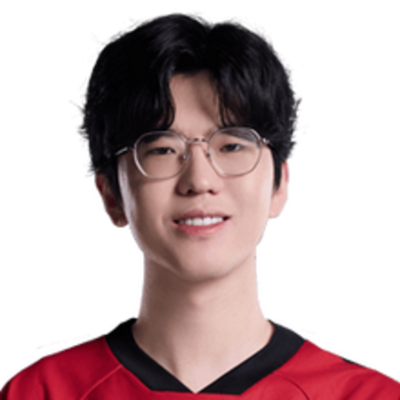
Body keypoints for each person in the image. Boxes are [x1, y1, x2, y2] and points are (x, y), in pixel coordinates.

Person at [1, 9, 398, 399]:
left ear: (282, 183)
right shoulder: (40, 393)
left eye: (231, 146)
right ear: (110, 195)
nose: (199, 181)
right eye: (161, 149)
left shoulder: (367, 396)